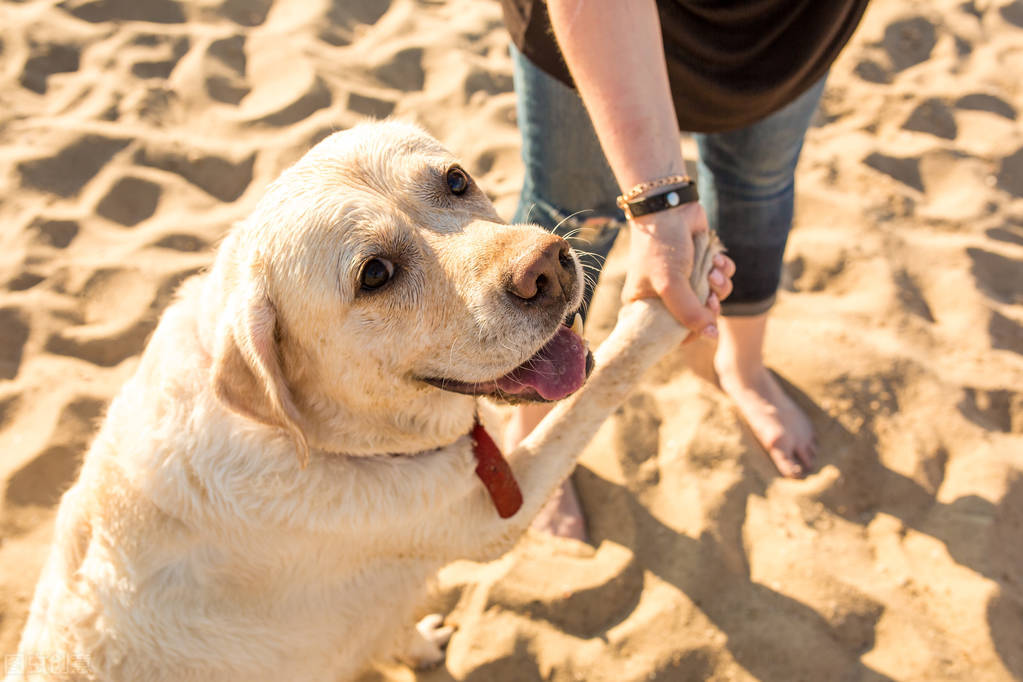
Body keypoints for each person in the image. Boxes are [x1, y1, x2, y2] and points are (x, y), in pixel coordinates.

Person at [500, 0, 870, 539]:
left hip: (789, 29)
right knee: (573, 209)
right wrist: (660, 205)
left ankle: (743, 366)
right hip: (594, 25)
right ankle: (534, 424)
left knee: (758, 185)